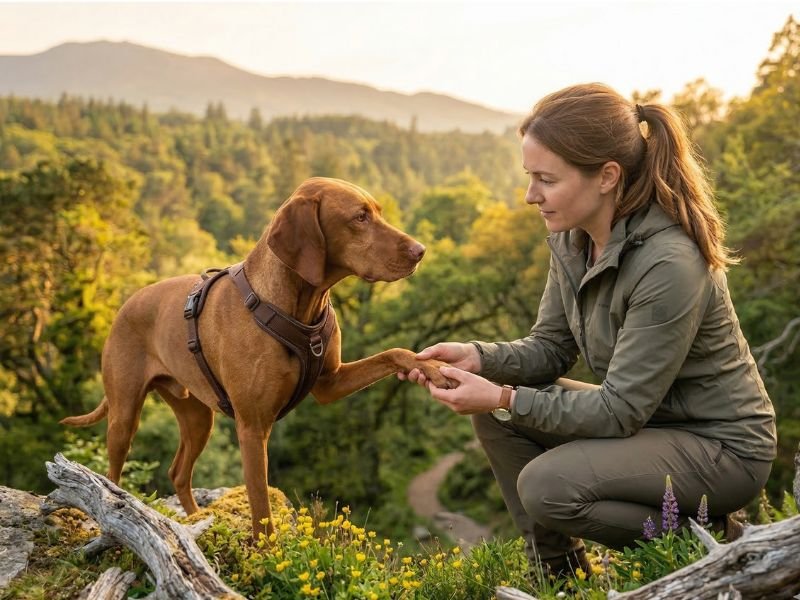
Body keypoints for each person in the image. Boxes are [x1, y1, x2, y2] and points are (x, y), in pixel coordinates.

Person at [400, 83, 776, 578]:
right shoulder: (573, 240)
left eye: (546, 180)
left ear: (607, 176)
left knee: (546, 484)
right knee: (497, 416)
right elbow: (551, 349)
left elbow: (619, 411)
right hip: (649, 427)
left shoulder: (669, 262)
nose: (531, 195)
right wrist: (479, 357)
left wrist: (504, 397)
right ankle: (559, 575)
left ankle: (713, 544)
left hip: (720, 448)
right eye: (529, 177)